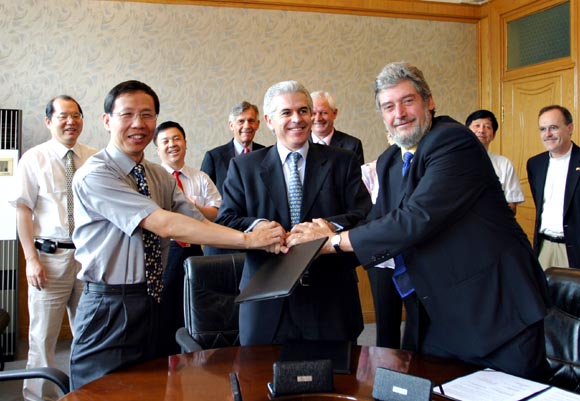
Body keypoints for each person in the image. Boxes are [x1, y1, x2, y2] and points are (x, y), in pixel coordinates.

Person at [288, 62, 550, 380]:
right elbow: (377, 219)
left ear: (429, 101)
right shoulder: (390, 161)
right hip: (438, 315)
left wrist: (330, 242)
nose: (399, 113)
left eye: (408, 101)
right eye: (388, 106)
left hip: (497, 311)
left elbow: (416, 218)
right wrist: (328, 231)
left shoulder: (454, 141)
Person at [69, 80, 285, 389]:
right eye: (127, 114)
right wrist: (249, 241)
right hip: (110, 306)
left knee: (154, 390)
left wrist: (257, 229)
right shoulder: (96, 174)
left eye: (146, 115)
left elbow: (199, 222)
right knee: (99, 393)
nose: (138, 123)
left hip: (154, 300)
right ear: (106, 120)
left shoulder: (158, 175)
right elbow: (163, 224)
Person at [215, 80, 372, 346]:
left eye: (303, 111)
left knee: (336, 370)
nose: (296, 119)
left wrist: (327, 228)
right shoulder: (244, 167)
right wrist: (258, 227)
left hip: (330, 298)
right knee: (261, 372)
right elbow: (226, 219)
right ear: (269, 120)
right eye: (286, 112)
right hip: (266, 299)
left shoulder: (342, 161)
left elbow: (364, 214)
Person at [11, 95, 97, 401]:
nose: (71, 121)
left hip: (88, 256)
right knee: (43, 335)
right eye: (63, 116)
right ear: (49, 122)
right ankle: (39, 397)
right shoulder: (34, 158)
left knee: (89, 333)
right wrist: (30, 259)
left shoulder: (94, 158)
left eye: (76, 115)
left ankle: (84, 393)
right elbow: (22, 210)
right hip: (50, 257)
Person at [153, 120, 222, 355]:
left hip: (193, 249)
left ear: (185, 143)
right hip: (164, 250)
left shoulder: (200, 177)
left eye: (176, 139)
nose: (172, 144)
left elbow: (218, 212)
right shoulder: (152, 179)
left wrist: (195, 208)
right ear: (157, 149)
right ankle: (165, 357)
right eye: (165, 141)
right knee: (165, 308)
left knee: (194, 305)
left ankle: (192, 355)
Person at [527, 105, 578, 270]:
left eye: (553, 128)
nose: (547, 134)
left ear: (570, 128)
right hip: (544, 247)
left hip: (575, 250)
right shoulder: (535, 164)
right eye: (543, 129)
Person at [466, 109, 524, 214]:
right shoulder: (452, 161)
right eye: (477, 125)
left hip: (494, 221)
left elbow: (512, 204)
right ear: (466, 131)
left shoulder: (504, 164)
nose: (481, 130)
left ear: (493, 135)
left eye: (487, 127)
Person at [200, 101, 265, 194]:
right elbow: (204, 195)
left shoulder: (266, 154)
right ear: (231, 125)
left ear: (257, 124)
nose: (247, 126)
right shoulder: (214, 157)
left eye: (251, 121)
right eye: (241, 121)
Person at [309, 90, 365, 165]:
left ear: (334, 113)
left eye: (324, 113)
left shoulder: (352, 146)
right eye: (313, 113)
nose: (318, 118)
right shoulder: (300, 143)